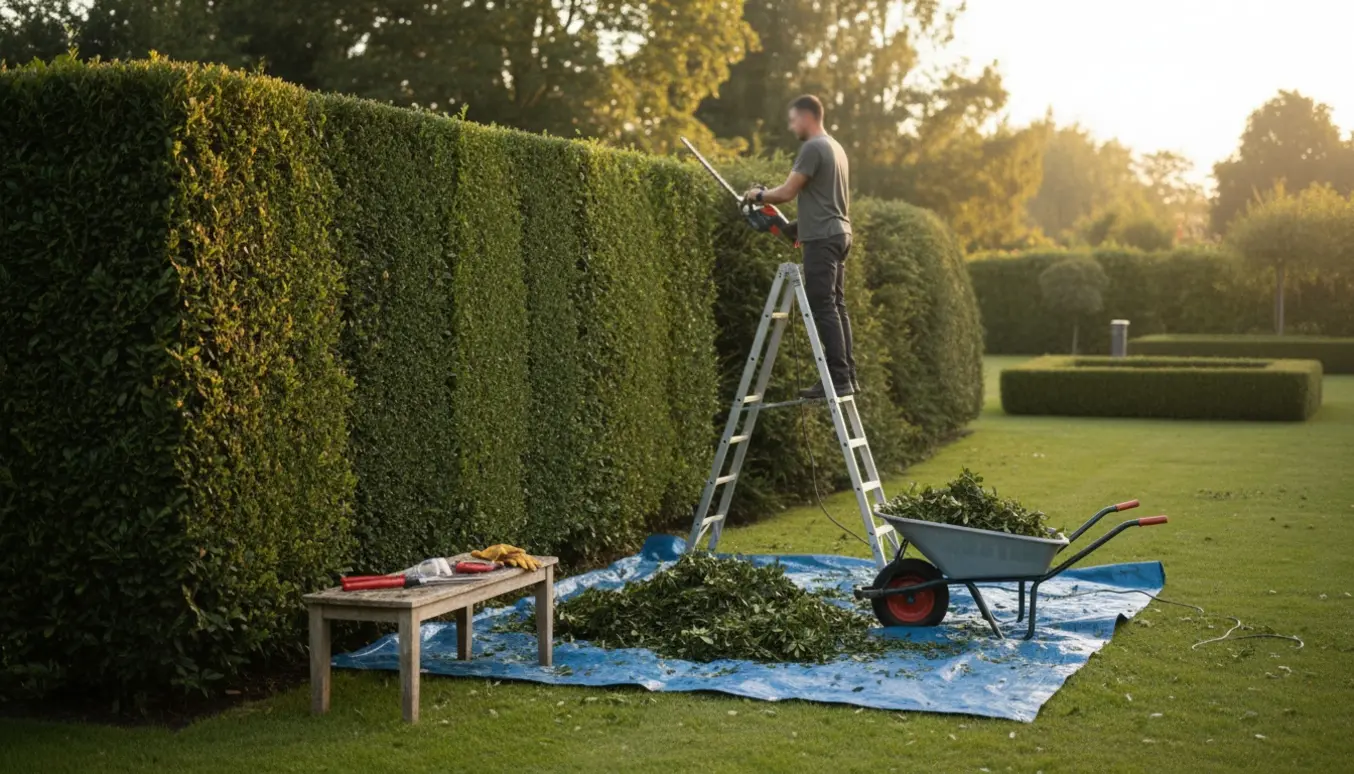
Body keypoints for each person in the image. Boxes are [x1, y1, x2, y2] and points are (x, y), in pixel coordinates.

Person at [742, 94, 856, 399]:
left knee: (823, 306)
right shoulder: (836, 147)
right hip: (838, 233)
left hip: (822, 238)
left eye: (793, 120)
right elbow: (821, 200)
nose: (792, 126)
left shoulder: (813, 147)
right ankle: (848, 375)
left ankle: (837, 378)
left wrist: (757, 195)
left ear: (807, 117)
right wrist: (796, 228)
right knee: (837, 306)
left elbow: (787, 192)